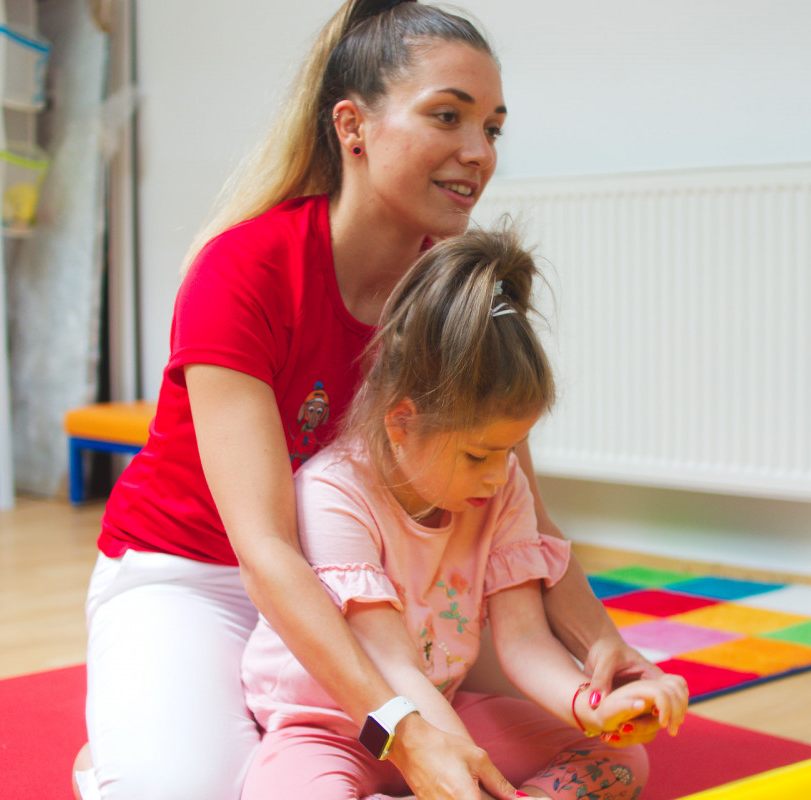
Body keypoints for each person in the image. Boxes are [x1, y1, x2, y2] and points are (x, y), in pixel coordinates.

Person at [78, 2, 678, 798]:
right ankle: (137, 752)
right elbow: (268, 552)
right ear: (352, 126)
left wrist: (603, 645)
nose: (478, 152)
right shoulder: (244, 270)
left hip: (382, 586)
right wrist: (402, 729)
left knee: (581, 735)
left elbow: (517, 500)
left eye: (493, 128)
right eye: (447, 116)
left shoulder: (452, 295)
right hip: (202, 575)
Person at [240, 228, 689, 800]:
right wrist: (464, 778)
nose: (500, 474)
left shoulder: (500, 489)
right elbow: (394, 667)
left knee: (622, 758)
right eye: (479, 453)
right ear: (400, 422)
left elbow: (525, 640)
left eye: (510, 450)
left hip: (444, 710)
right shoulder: (334, 492)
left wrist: (593, 705)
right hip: (330, 728)